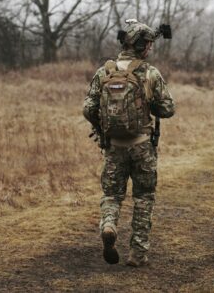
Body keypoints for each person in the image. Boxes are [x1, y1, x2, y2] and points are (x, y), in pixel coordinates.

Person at [83, 20, 175, 266]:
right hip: (143, 146)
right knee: (144, 198)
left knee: (112, 194)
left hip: (114, 146)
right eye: (149, 45)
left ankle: (110, 225)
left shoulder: (105, 71)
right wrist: (149, 104)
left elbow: (88, 107)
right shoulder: (149, 73)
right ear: (142, 46)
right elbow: (168, 109)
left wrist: (102, 127)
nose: (151, 49)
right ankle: (138, 254)